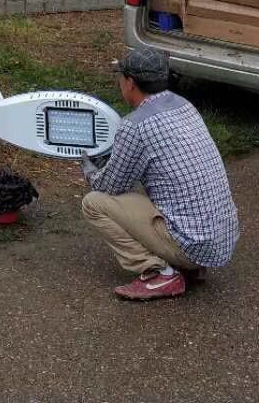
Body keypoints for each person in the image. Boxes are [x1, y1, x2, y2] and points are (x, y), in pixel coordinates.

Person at [80, 46, 239, 301]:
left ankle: (159, 273)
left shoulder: (135, 125)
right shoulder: (184, 105)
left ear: (130, 82)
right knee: (163, 187)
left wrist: (89, 169)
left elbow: (109, 188)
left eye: (121, 76)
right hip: (221, 239)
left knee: (94, 204)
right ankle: (190, 267)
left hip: (192, 245)